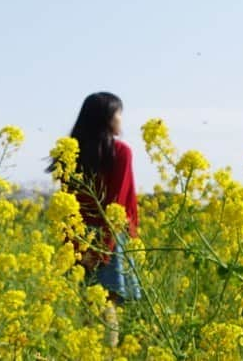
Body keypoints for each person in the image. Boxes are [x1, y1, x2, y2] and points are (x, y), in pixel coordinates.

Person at [45, 91, 142, 347]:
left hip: (79, 238)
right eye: (119, 113)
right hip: (108, 235)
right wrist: (104, 250)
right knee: (108, 303)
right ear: (107, 118)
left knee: (88, 305)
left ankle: (87, 352)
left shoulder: (70, 154)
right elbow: (116, 203)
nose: (122, 119)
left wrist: (75, 249)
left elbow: (66, 207)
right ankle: (105, 354)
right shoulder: (120, 151)